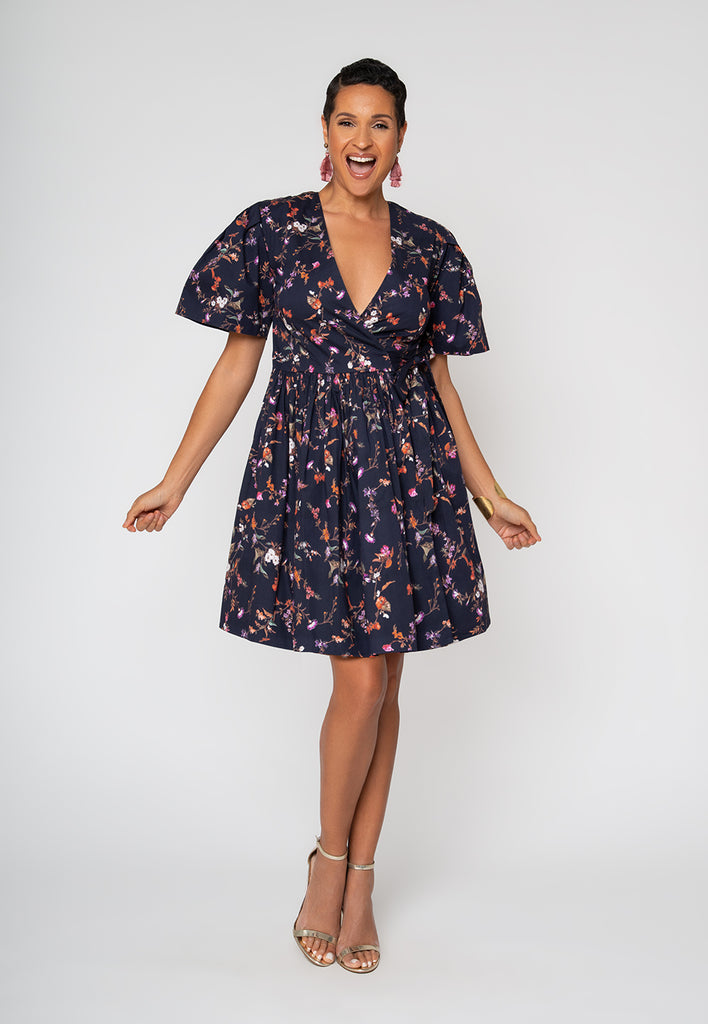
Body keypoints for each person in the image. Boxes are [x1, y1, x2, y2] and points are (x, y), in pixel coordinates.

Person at [122, 57, 541, 974]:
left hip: (408, 482)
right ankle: (329, 860)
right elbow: (237, 365)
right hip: (312, 481)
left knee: (384, 684)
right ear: (323, 130)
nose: (361, 139)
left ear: (401, 139)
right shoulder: (270, 231)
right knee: (360, 684)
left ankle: (358, 881)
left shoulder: (430, 246)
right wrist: (174, 480)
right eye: (347, 121)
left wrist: (489, 494)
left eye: (380, 123)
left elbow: (440, 385)